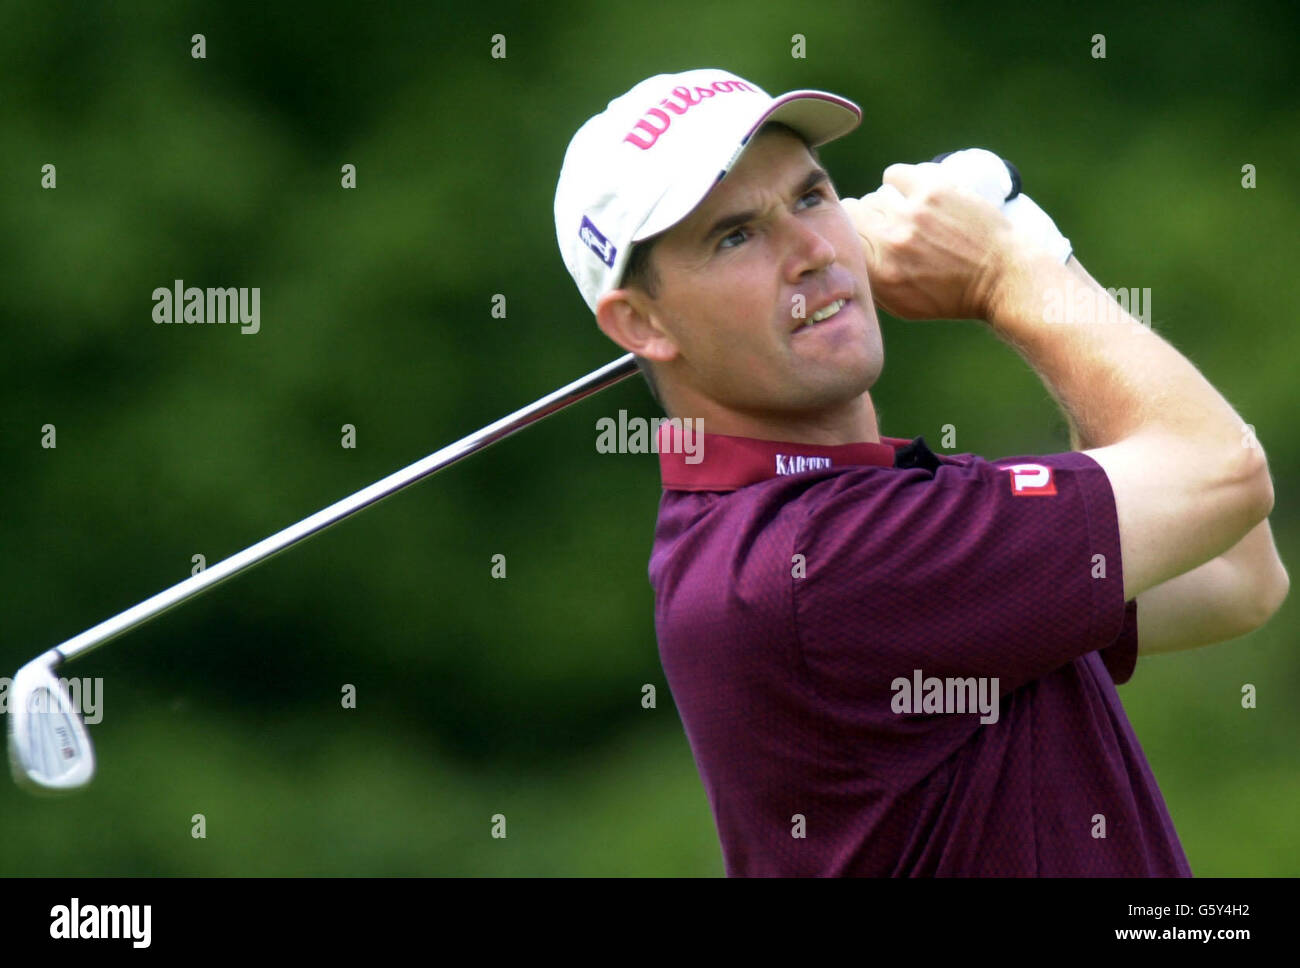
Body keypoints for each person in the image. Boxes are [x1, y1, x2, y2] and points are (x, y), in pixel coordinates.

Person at [553, 69, 1288, 876]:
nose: (812, 252)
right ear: (641, 321)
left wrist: (1032, 246)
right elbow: (1223, 471)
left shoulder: (870, 513)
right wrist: (1004, 272)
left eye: (810, 197)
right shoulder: (814, 560)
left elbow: (1234, 574)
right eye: (737, 236)